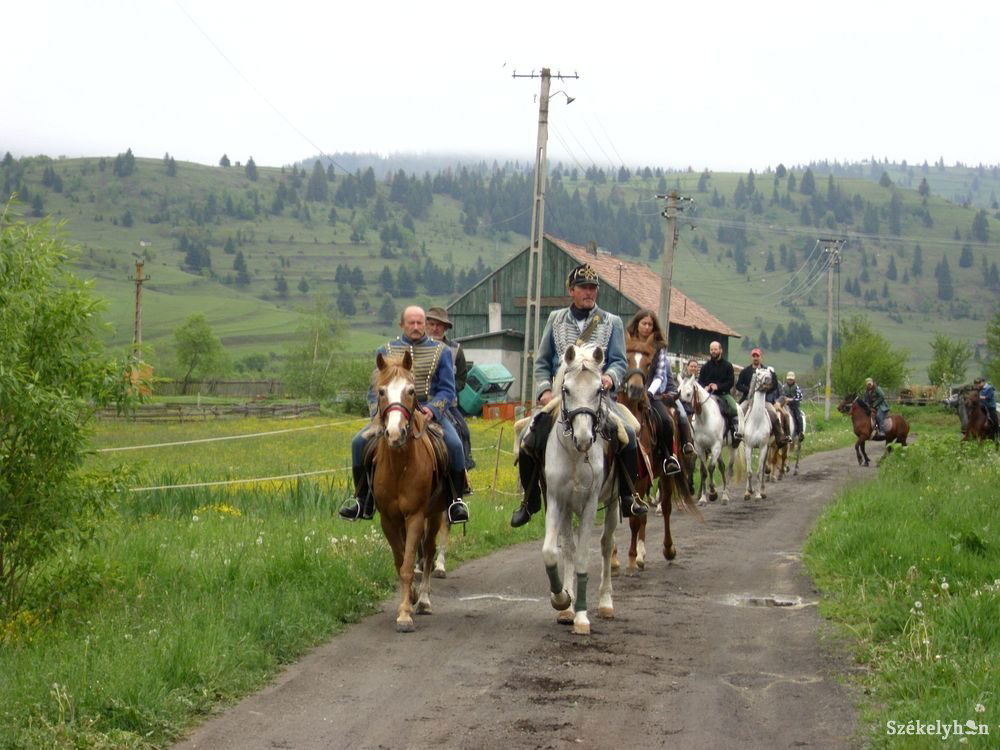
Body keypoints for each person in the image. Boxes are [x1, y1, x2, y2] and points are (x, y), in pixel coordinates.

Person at [510, 263, 647, 528]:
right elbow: (542, 361)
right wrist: (544, 389)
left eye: (593, 288)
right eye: (584, 287)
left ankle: (628, 496)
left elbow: (619, 361)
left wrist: (611, 377)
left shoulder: (612, 322)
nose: (589, 292)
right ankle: (530, 500)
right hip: (562, 398)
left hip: (598, 398)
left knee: (628, 436)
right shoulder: (555, 319)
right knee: (529, 438)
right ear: (571, 290)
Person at [338, 306, 470, 524]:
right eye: (412, 323)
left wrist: (433, 409)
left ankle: (456, 502)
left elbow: (448, 390)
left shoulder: (442, 351)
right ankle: (362, 500)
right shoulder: (385, 350)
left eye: (420, 323)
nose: (416, 327)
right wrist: (379, 414)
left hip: (428, 411)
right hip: (392, 412)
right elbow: (374, 391)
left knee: (455, 445)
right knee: (357, 443)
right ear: (402, 325)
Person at [624, 309, 693, 474]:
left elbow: (660, 375)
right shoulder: (626, 342)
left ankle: (668, 457)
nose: (647, 327)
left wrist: (649, 392)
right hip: (626, 390)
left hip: (651, 393)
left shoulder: (659, 347)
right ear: (637, 324)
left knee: (666, 421)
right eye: (644, 323)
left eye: (650, 324)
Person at [426, 306, 475, 470]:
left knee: (463, 431)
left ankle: (464, 467)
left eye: (439, 325)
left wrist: (450, 390)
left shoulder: (455, 349)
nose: (435, 328)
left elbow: (462, 377)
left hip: (448, 405)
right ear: (426, 325)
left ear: (445, 328)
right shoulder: (417, 347)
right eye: (432, 324)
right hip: (421, 403)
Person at [735, 348, 790, 444]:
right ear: (751, 357)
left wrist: (766, 390)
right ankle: (737, 436)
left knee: (774, 415)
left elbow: (774, 385)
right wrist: (749, 390)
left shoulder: (767, 371)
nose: (755, 358)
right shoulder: (745, 371)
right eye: (754, 356)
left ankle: (780, 437)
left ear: (761, 357)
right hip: (748, 400)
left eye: (757, 356)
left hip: (764, 400)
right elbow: (738, 385)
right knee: (739, 411)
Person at [697, 341, 742, 440]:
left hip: (723, 394)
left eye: (715, 349)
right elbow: (700, 382)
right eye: (711, 349)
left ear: (721, 350)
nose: (713, 351)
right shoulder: (705, 367)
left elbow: (730, 382)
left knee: (735, 409)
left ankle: (736, 432)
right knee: (696, 408)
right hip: (707, 395)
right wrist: (705, 387)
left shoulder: (728, 366)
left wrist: (718, 386)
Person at [779, 371, 805, 440]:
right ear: (787, 379)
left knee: (798, 416)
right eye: (789, 379)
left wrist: (791, 399)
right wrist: (784, 399)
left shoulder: (797, 387)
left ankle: (800, 432)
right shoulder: (783, 387)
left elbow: (800, 397)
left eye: (791, 379)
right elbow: (781, 395)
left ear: (794, 379)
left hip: (794, 406)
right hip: (785, 405)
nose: (790, 381)